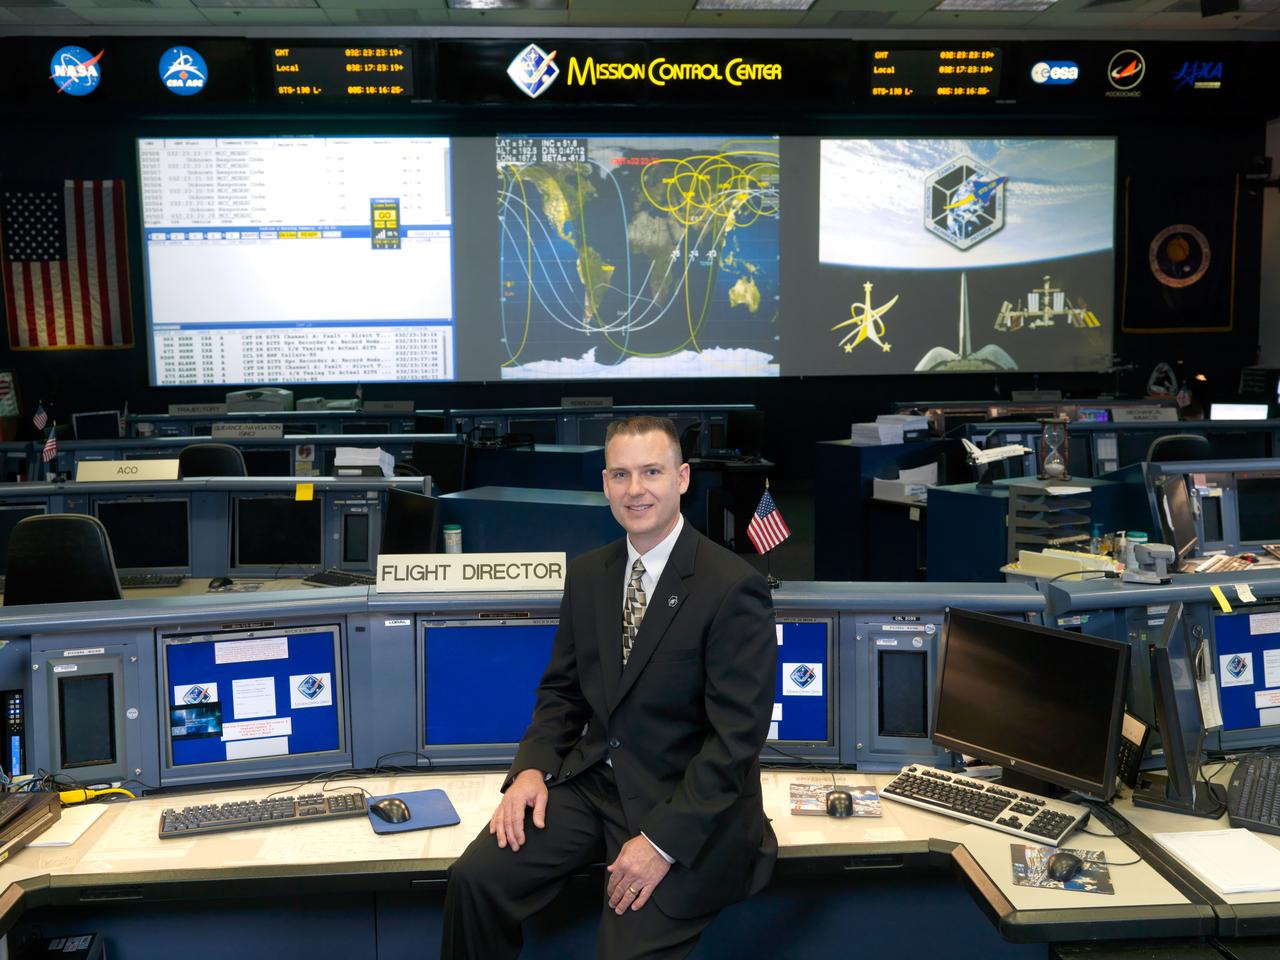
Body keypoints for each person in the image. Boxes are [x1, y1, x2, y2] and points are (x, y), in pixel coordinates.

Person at [441, 415, 777, 959]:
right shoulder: (590, 574)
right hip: (596, 783)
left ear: (683, 478)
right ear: (604, 484)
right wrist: (532, 767)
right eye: (620, 475)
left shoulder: (732, 587)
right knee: (475, 880)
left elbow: (735, 742)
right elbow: (563, 693)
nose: (635, 489)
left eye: (651, 472)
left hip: (679, 801)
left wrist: (662, 844)